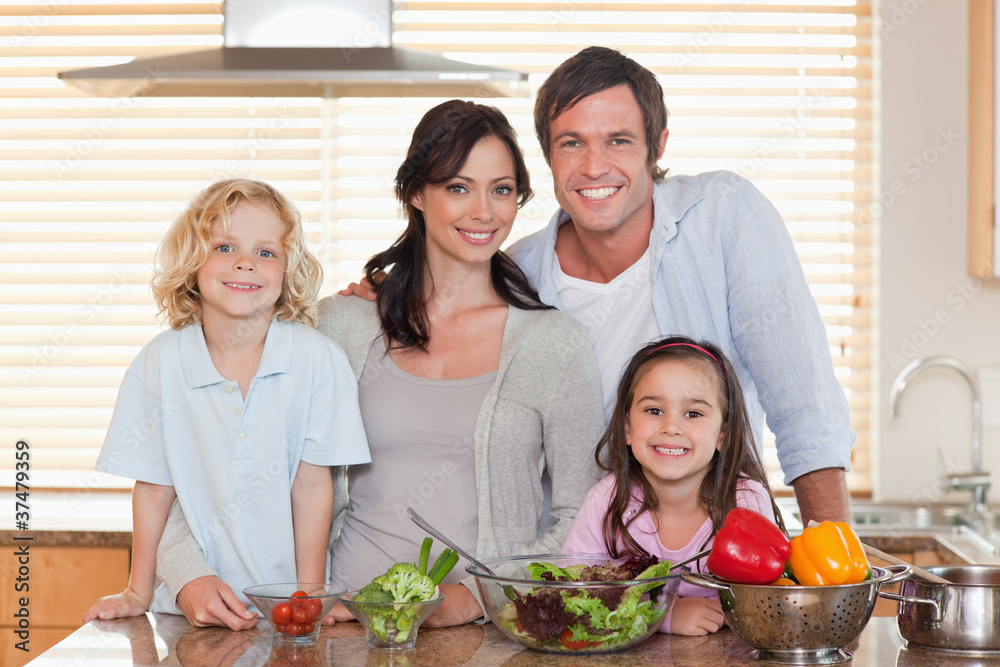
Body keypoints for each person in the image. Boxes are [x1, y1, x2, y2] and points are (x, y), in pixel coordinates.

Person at [344, 47, 855, 525]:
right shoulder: (518, 276)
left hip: (722, 560)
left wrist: (833, 564)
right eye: (572, 143)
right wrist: (384, 298)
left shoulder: (725, 218)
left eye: (618, 140)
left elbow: (804, 406)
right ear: (548, 157)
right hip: (588, 575)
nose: (593, 167)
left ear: (658, 145)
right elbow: (445, 314)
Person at [154, 101, 607, 630]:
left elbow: (585, 518)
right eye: (458, 188)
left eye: (501, 189)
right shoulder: (341, 326)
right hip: (333, 624)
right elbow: (203, 454)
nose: (484, 211)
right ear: (416, 193)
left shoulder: (554, 344)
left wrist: (484, 598)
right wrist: (187, 574)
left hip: (480, 640)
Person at [82, 179, 371, 624]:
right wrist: (137, 592)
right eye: (224, 248)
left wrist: (307, 598)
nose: (245, 264)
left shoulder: (318, 360)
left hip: (286, 611)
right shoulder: (159, 362)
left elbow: (314, 487)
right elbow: (155, 489)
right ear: (191, 262)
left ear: (286, 271)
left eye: (266, 252)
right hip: (189, 615)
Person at [562, 336, 787, 636]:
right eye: (654, 410)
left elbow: (765, 602)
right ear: (627, 428)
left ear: (724, 436)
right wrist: (662, 616)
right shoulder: (607, 500)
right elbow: (571, 594)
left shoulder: (746, 501)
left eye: (693, 413)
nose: (671, 426)